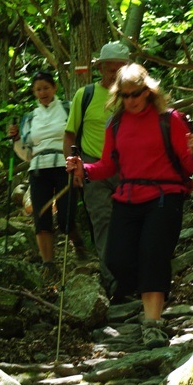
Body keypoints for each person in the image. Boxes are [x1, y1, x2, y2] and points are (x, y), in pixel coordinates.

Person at [66, 63, 193, 343]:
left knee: (153, 254)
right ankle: (149, 289)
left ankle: (152, 323)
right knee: (116, 259)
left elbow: (191, 166)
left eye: (135, 94)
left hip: (165, 196)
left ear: (148, 91)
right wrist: (83, 169)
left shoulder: (170, 119)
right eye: (125, 95)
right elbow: (108, 165)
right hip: (128, 197)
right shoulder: (116, 123)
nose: (130, 100)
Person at [64, 41, 130, 291]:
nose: (115, 75)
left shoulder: (133, 96)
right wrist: (73, 166)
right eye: (111, 69)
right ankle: (111, 280)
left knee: (129, 222)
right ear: (100, 68)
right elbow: (70, 135)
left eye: (120, 69)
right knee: (102, 221)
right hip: (93, 167)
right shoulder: (85, 95)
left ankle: (131, 276)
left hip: (129, 168)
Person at [8, 71, 83, 280]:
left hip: (64, 166)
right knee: (41, 217)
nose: (43, 93)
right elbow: (26, 153)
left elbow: (79, 136)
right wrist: (16, 139)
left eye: (46, 88)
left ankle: (78, 244)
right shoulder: (30, 118)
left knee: (66, 216)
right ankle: (48, 264)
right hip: (39, 170)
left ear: (54, 88)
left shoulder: (68, 108)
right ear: (34, 92)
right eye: (38, 89)